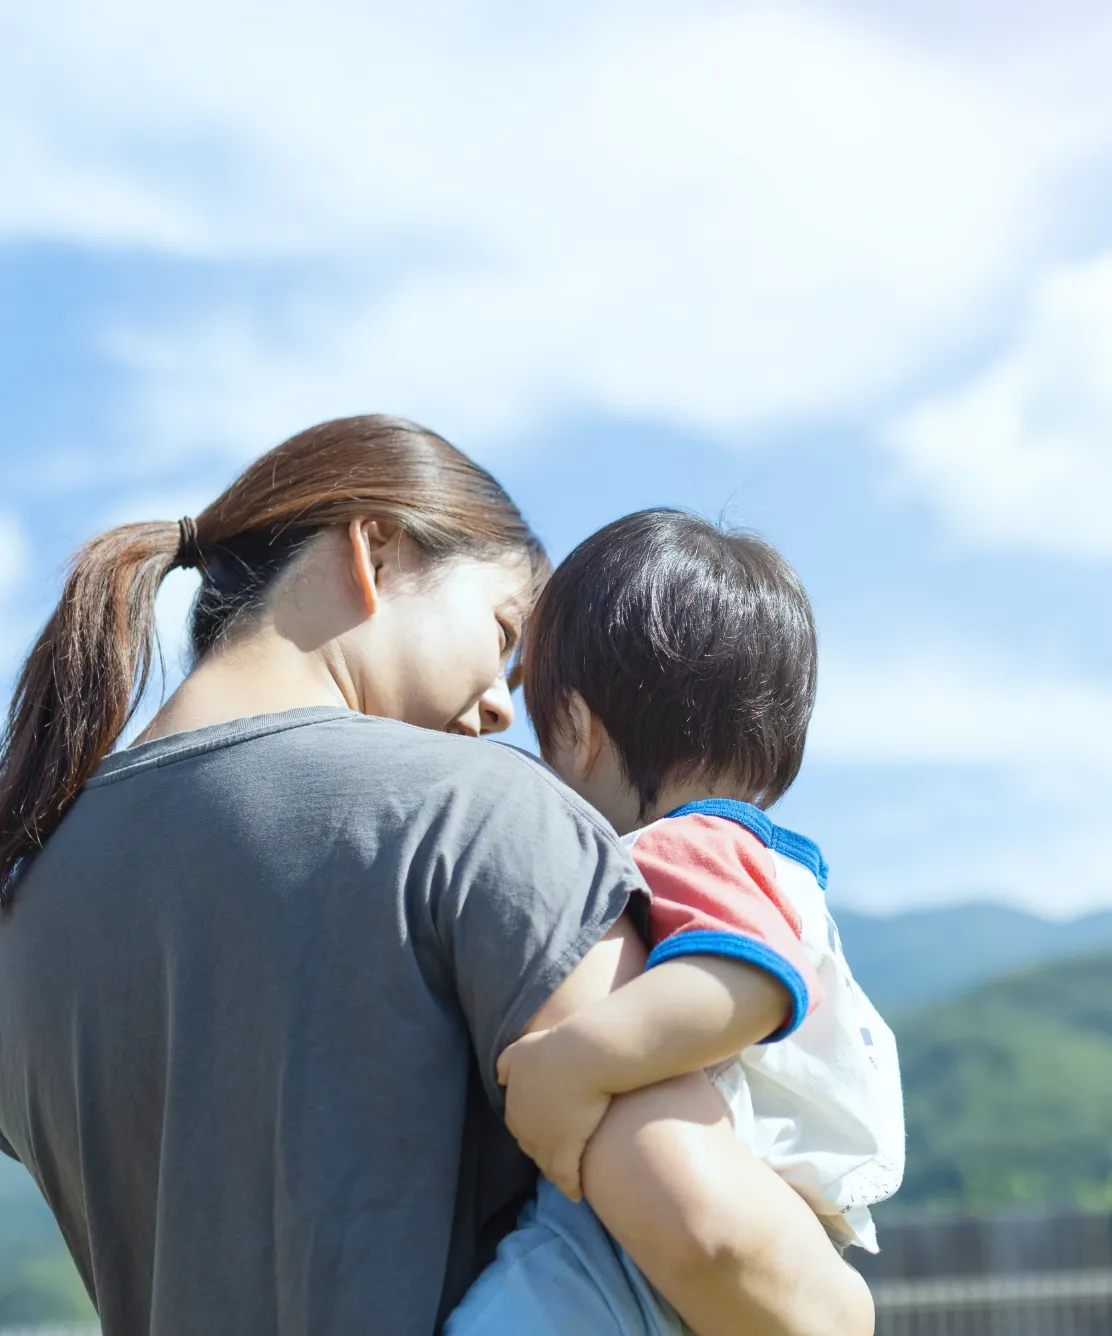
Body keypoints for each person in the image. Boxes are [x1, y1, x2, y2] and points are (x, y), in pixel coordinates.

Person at [0, 419, 872, 1336]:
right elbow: (718, 1245)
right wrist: (848, 1308)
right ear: (376, 548)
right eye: (503, 633)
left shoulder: (30, 906)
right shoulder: (474, 813)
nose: (501, 709)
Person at [448, 510, 902, 1335]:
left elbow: (748, 979)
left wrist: (572, 1063)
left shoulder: (686, 844)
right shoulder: (755, 860)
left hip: (638, 1251)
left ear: (576, 729)